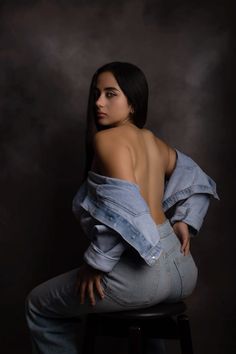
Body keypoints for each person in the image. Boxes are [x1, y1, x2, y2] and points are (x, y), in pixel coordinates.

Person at [25, 61, 219, 354]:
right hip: (182, 271)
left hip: (143, 275)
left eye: (110, 94)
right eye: (96, 94)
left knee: (38, 305)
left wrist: (97, 263)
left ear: (133, 103)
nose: (98, 103)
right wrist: (184, 221)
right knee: (145, 317)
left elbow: (125, 208)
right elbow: (195, 176)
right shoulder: (151, 140)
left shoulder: (107, 140)